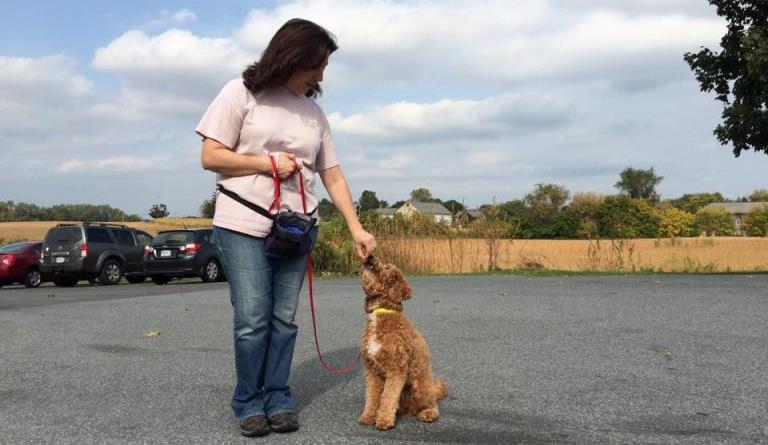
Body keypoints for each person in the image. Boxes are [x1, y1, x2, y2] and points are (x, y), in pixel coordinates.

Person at [196, 18, 376, 437]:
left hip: (297, 228)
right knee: (253, 318)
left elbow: (332, 173)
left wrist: (356, 228)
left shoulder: (313, 112)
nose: (320, 75)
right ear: (290, 57)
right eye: (315, 65)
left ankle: (278, 396)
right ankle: (247, 400)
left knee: (284, 319)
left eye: (324, 67)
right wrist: (266, 162)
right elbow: (211, 156)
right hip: (243, 223)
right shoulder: (240, 93)